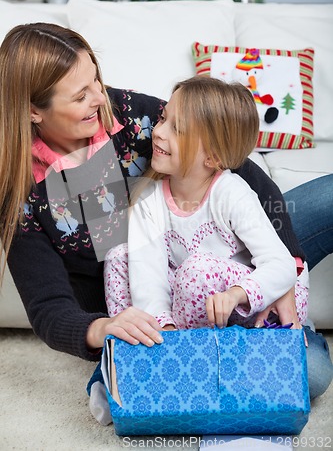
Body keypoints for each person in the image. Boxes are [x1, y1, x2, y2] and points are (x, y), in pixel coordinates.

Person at [0, 23, 331, 400]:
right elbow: (48, 307)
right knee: (312, 374)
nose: (99, 97)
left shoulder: (134, 115)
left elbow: (243, 170)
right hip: (153, 304)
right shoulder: (20, 194)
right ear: (32, 111)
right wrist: (104, 329)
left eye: (96, 78)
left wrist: (281, 274)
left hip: (231, 255)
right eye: (80, 96)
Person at [104, 76, 308, 331]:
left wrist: (237, 293)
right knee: (119, 258)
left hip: (259, 299)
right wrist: (163, 328)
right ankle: (158, 346)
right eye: (164, 118)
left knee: (197, 269)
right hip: (194, 297)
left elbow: (281, 264)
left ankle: (195, 350)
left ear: (212, 157)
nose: (158, 132)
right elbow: (149, 279)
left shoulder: (230, 192)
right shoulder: (149, 200)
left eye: (178, 129)